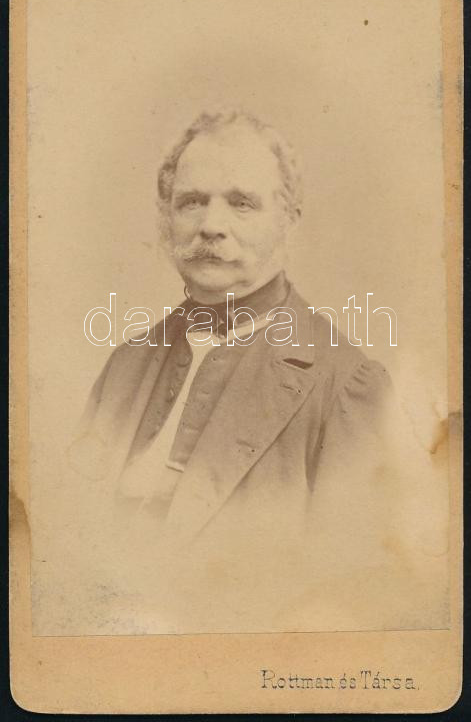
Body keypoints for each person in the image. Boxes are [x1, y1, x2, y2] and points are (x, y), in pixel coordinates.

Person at [66, 110, 448, 634]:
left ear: (288, 219)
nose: (210, 225)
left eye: (241, 203)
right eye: (191, 201)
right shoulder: (126, 364)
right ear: (166, 218)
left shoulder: (345, 387)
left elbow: (356, 591)